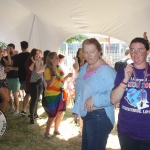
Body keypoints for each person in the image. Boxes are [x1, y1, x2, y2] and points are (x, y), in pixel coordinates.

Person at [72, 38, 116, 150]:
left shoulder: (107, 71)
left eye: (92, 52)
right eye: (86, 52)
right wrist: (77, 108)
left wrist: (95, 98)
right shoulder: (84, 68)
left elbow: (115, 96)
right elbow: (82, 91)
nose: (89, 55)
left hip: (100, 116)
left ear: (99, 51)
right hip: (87, 115)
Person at [110, 37, 150, 150]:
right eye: (132, 50)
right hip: (127, 132)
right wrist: (125, 80)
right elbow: (113, 100)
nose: (135, 53)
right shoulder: (123, 71)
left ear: (147, 52)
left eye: (140, 50)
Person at [43, 52, 72, 139]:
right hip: (51, 96)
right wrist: (54, 74)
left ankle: (56, 130)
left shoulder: (59, 68)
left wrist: (68, 76)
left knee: (60, 113)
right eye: (55, 57)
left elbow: (61, 81)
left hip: (60, 93)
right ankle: (47, 132)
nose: (58, 59)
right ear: (51, 59)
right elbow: (50, 84)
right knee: (52, 115)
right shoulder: (48, 70)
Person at [5, 43, 20, 114]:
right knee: (7, 94)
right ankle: (11, 107)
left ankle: (17, 109)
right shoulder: (6, 57)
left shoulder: (17, 57)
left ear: (13, 49)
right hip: (8, 78)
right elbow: (5, 67)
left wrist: (11, 68)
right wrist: (6, 69)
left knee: (15, 94)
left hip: (15, 78)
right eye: (8, 48)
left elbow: (19, 68)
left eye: (10, 48)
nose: (8, 49)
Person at [16, 41, 30, 115]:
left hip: (21, 77)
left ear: (21, 47)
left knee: (27, 93)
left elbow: (16, 66)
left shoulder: (18, 56)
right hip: (28, 77)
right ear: (27, 46)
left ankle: (24, 109)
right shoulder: (30, 55)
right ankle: (25, 110)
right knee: (29, 93)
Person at [0, 47, 11, 112]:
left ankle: (1, 115)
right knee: (6, 99)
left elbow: (9, 63)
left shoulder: (2, 60)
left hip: (3, 80)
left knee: (5, 100)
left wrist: (8, 54)